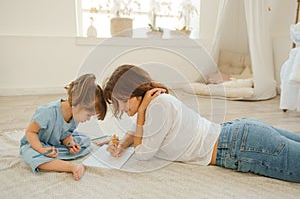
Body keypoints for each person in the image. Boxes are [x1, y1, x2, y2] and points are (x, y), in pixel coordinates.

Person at [103, 64, 300, 183]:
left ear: (133, 91)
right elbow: (139, 132)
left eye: (121, 100)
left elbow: (143, 154)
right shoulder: (157, 102)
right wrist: (122, 143)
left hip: (239, 148)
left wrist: (141, 113)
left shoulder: (156, 107)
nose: (120, 108)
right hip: (240, 135)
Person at [20, 74, 107, 181]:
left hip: (55, 144)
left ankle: (54, 159)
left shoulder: (74, 115)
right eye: (88, 115)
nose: (88, 119)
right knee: (31, 156)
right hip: (35, 144)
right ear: (77, 105)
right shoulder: (47, 112)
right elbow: (30, 132)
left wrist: (70, 144)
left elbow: (66, 134)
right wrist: (40, 149)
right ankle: (71, 167)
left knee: (84, 141)